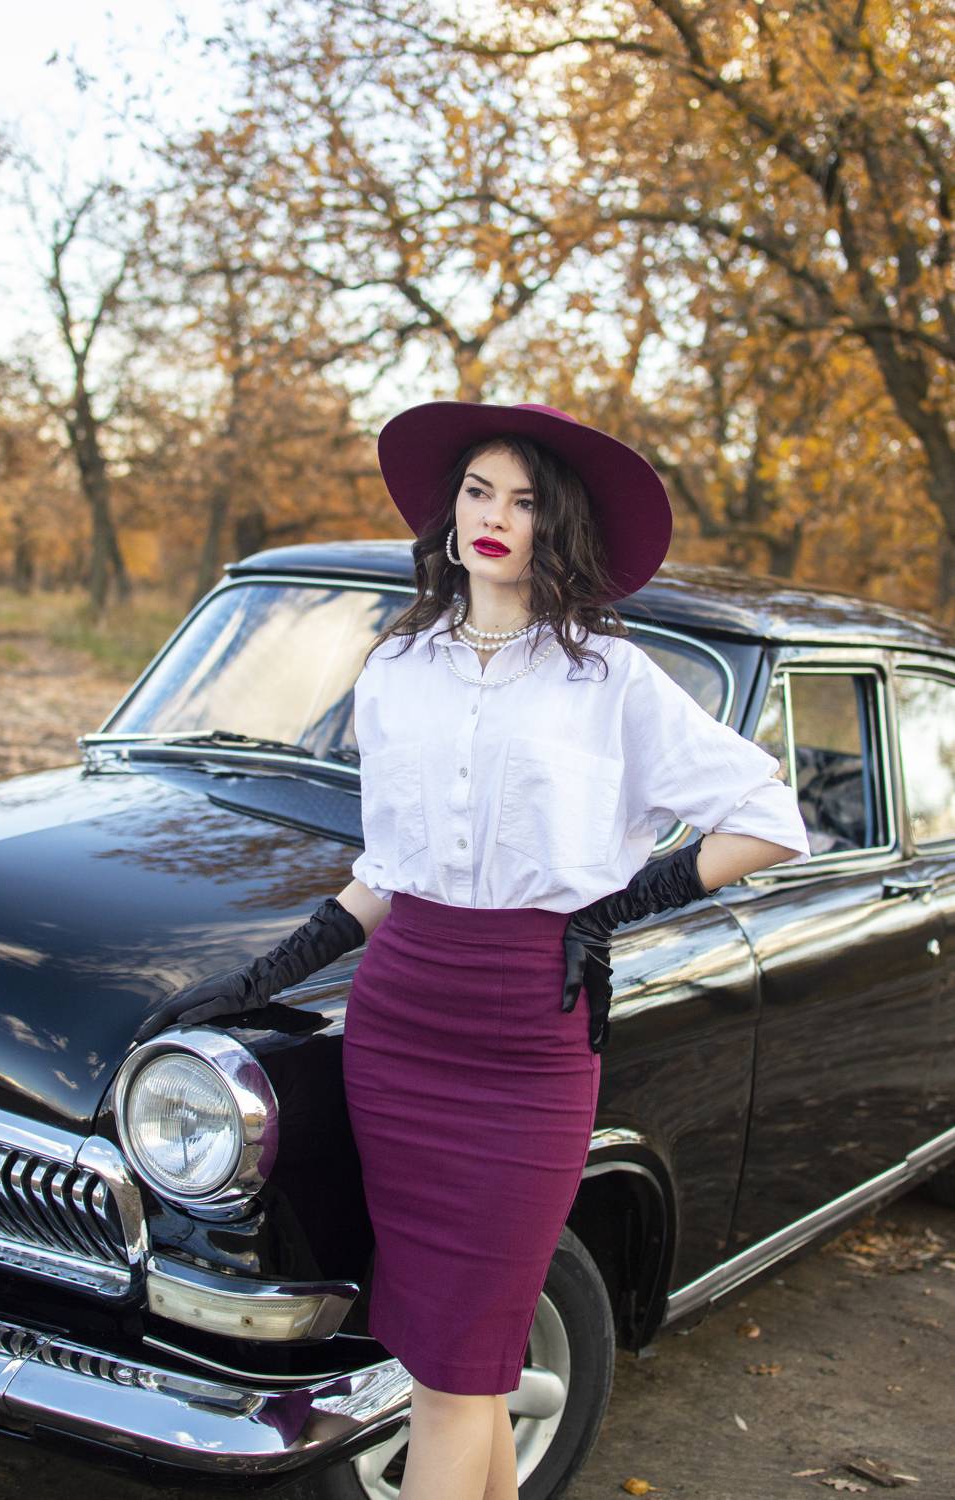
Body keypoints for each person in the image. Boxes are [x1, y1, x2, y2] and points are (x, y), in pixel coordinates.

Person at [137, 400, 812, 1500]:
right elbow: (387, 871)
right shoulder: (398, 667)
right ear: (449, 515)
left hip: (530, 1033)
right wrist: (262, 978)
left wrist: (611, 905)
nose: (496, 517)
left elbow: (769, 819)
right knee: (452, 1366)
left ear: (558, 524)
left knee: (460, 1370)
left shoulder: (608, 676)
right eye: (477, 492)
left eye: (525, 500)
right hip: (400, 1025)